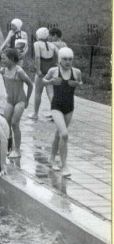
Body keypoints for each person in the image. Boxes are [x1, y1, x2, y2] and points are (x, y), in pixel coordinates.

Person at [43, 47, 82, 177]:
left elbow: (80, 83)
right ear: (59, 60)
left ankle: (52, 158)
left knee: (59, 134)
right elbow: (44, 80)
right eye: (65, 59)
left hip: (69, 107)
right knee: (64, 134)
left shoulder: (76, 72)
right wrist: (50, 82)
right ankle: (64, 165)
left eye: (70, 59)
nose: (67, 62)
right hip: (56, 106)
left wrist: (77, 84)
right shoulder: (53, 71)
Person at [0, 48, 33, 158]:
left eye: (4, 59)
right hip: (10, 100)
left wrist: (27, 100)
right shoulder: (3, 70)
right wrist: (7, 93)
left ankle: (17, 150)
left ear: (12, 59)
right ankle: (10, 147)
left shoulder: (19, 71)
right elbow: (5, 83)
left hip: (20, 100)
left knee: (14, 123)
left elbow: (30, 84)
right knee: (6, 124)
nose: (2, 60)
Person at [30, 27, 58, 119]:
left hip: (42, 71)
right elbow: (60, 55)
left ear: (38, 36)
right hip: (50, 71)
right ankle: (56, 114)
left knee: (38, 92)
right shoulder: (52, 45)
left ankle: (35, 114)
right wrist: (56, 66)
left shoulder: (37, 44)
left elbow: (38, 57)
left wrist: (38, 70)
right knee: (51, 93)